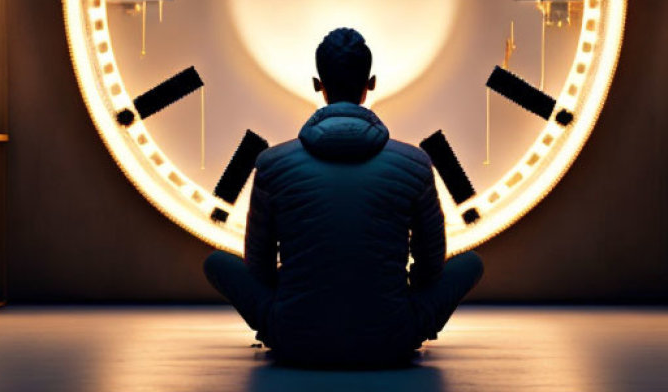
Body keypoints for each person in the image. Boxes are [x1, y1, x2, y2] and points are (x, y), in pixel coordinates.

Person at [204, 28, 483, 368]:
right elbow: (430, 268)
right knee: (471, 264)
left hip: (294, 339)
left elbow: (259, 270)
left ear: (317, 85)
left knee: (216, 263)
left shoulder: (271, 164)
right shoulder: (415, 163)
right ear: (372, 83)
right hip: (391, 339)